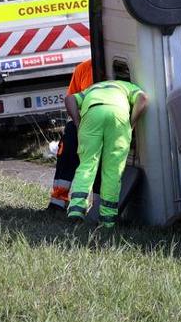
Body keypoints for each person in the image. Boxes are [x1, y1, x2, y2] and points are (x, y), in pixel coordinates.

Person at [63, 79, 147, 228]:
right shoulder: (128, 87)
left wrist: (77, 122)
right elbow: (143, 99)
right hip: (118, 115)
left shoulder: (92, 89)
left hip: (92, 113)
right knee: (113, 170)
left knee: (87, 164)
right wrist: (131, 124)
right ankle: (107, 220)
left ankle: (76, 211)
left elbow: (69, 99)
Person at [48, 58, 93, 212]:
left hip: (100, 124)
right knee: (65, 153)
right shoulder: (83, 68)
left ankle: (86, 204)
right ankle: (57, 202)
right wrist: (76, 124)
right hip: (79, 119)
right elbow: (71, 99)